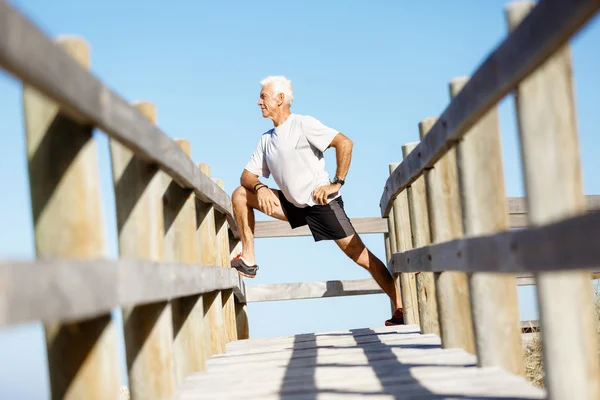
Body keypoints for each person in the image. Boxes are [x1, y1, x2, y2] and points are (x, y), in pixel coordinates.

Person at [230, 76, 404, 326]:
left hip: (321, 204)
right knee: (240, 193)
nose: (259, 102)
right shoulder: (266, 140)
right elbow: (246, 175)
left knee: (361, 255)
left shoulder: (303, 124)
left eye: (263, 97)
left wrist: (337, 182)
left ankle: (400, 308)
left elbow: (344, 143)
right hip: (291, 205)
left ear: (280, 99)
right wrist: (261, 188)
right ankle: (248, 259)